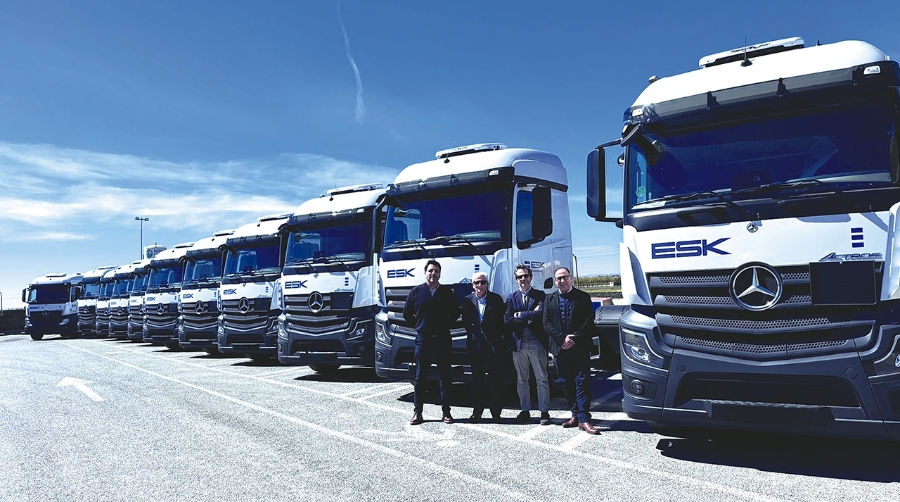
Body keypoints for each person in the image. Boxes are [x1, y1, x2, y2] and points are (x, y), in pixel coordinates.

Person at [543, 266, 600, 435]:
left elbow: (589, 320)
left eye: (565, 277)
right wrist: (561, 339)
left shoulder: (582, 297)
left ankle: (584, 419)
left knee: (582, 383)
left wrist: (573, 338)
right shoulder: (549, 299)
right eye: (559, 278)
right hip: (560, 349)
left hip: (579, 347)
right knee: (566, 384)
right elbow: (546, 323)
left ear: (571, 278)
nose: (562, 280)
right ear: (555, 281)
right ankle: (574, 415)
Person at [403, 259, 460, 425]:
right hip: (424, 340)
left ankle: (446, 412)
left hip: (442, 339)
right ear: (425, 273)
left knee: (445, 377)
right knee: (420, 377)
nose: (433, 274)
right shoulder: (416, 292)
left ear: (440, 274)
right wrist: (420, 326)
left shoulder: (447, 293)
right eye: (430, 271)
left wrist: (444, 327)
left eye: (436, 271)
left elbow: (455, 313)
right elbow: (407, 313)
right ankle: (417, 412)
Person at [503, 264, 551, 426]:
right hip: (519, 344)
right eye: (519, 277)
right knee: (521, 379)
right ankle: (525, 410)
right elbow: (507, 319)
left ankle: (544, 411)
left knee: (541, 379)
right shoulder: (511, 297)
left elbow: (541, 314)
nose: (523, 279)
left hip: (536, 343)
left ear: (531, 277)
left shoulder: (540, 295)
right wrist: (529, 317)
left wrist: (521, 315)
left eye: (525, 276)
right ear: (516, 280)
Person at [461, 272, 508, 423]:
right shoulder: (467, 301)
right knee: (477, 381)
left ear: (487, 284)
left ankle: (496, 413)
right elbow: (466, 322)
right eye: (476, 283)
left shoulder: (496, 299)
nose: (479, 285)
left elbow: (502, 322)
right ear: (472, 285)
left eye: (482, 282)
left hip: (493, 346)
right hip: (475, 347)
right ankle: (477, 412)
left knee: (495, 380)